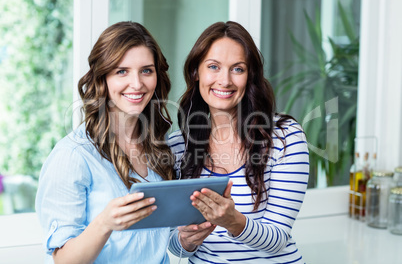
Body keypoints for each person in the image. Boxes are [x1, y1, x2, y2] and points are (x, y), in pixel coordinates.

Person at [36, 21, 180, 263]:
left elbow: (155, 243)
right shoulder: (73, 155)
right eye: (121, 71)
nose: (137, 84)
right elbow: (65, 260)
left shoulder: (158, 146)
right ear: (102, 79)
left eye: (146, 70)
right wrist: (104, 223)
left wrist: (188, 238)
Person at [168, 21, 310, 263]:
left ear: (250, 76)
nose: (225, 81)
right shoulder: (177, 145)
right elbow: (173, 244)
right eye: (213, 67)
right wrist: (186, 240)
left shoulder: (284, 136)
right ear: (196, 72)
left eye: (237, 69)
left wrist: (234, 221)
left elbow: (278, 239)